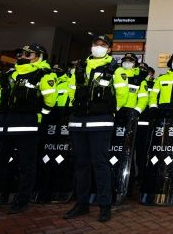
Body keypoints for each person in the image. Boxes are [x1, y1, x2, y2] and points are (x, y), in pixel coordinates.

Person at [0, 44, 57, 214]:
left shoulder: (44, 75)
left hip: (28, 127)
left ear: (39, 56)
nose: (22, 55)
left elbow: (50, 101)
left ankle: (21, 200)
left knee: (26, 166)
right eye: (21, 53)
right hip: (4, 126)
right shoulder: (9, 74)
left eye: (28, 53)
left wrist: (37, 117)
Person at [64, 35, 129, 222]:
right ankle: (82, 204)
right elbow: (71, 90)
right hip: (78, 122)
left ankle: (104, 205)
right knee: (81, 164)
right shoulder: (80, 67)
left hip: (101, 122)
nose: (98, 47)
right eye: (95, 44)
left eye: (103, 45)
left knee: (100, 164)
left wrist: (110, 112)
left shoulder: (115, 69)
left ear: (109, 50)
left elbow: (122, 94)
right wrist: (74, 107)